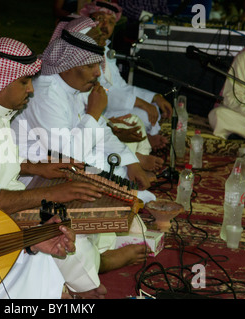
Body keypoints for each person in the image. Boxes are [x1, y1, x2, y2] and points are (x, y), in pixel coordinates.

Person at [0, 37, 110, 298]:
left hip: (9, 205)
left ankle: (80, 289)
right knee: (69, 238)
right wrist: (53, 194)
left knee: (74, 234)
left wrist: (37, 168)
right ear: (1, 81)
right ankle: (79, 290)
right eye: (24, 82)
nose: (31, 90)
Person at [10, 26, 154, 296]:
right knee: (76, 225)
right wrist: (94, 113)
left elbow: (100, 131)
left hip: (66, 172)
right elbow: (68, 156)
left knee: (124, 207)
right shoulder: (46, 93)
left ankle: (96, 260)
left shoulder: (75, 87)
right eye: (91, 66)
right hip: (35, 180)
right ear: (68, 66)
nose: (98, 73)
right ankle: (96, 268)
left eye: (98, 66)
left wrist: (131, 160)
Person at [80, 1, 173, 152]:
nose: (105, 25)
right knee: (140, 116)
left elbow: (120, 86)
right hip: (90, 110)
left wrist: (154, 97)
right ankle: (143, 149)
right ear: (88, 20)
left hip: (108, 105)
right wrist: (141, 103)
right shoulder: (83, 50)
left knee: (151, 109)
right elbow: (100, 90)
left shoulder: (105, 50)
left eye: (111, 22)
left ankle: (145, 144)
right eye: (100, 18)